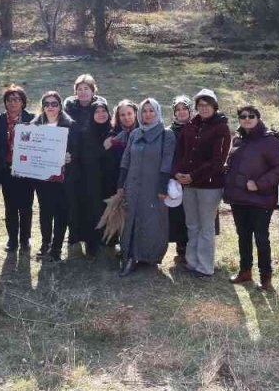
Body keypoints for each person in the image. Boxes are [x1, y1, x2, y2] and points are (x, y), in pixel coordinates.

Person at [223, 105, 279, 291]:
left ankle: (266, 278)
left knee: (261, 238)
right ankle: (245, 271)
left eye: (251, 116)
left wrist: (259, 184)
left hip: (261, 199)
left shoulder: (269, 140)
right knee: (243, 236)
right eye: (243, 116)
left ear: (258, 118)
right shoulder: (238, 138)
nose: (247, 119)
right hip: (238, 198)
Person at [116, 98, 175, 276]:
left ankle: (149, 256)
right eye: (144, 111)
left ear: (157, 112)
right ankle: (130, 256)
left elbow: (167, 162)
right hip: (133, 185)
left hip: (153, 187)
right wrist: (121, 184)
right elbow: (126, 159)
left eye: (151, 111)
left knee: (152, 221)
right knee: (130, 220)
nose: (148, 114)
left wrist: (162, 187)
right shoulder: (135, 133)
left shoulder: (167, 135)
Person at [177, 89, 231, 278]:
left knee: (206, 225)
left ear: (214, 106)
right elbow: (182, 152)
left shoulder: (221, 127)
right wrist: (179, 173)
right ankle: (192, 262)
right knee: (192, 224)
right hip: (188, 184)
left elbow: (217, 160)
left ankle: (205, 266)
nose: (204, 108)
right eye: (200, 105)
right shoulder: (191, 125)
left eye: (207, 105)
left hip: (209, 185)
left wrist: (193, 175)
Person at [0, 85, 35, 253]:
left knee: (26, 206)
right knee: (10, 206)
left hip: (28, 170)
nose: (13, 103)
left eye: (17, 99)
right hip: (7, 170)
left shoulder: (33, 119)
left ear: (23, 102)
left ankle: (25, 239)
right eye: (9, 100)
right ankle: (12, 240)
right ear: (5, 103)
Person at [65, 97, 111, 258]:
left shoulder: (111, 129)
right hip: (90, 178)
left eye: (103, 111)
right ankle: (91, 242)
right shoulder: (87, 131)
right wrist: (103, 148)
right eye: (96, 111)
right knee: (92, 210)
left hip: (108, 179)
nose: (100, 114)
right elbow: (87, 156)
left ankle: (107, 240)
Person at [32, 90, 72, 262]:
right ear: (42, 107)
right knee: (45, 211)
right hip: (42, 177)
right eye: (46, 104)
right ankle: (45, 243)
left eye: (54, 104)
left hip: (63, 178)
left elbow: (77, 149)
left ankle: (56, 247)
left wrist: (71, 157)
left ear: (60, 106)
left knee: (61, 212)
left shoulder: (70, 125)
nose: (50, 107)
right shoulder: (34, 124)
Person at [167, 95, 193, 268]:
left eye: (185, 108)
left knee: (194, 214)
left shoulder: (198, 127)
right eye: (178, 109)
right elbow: (167, 156)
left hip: (196, 177)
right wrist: (175, 174)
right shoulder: (169, 131)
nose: (182, 112)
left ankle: (195, 249)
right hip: (175, 178)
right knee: (178, 214)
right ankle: (181, 248)